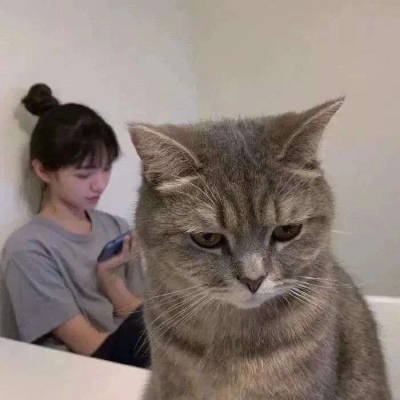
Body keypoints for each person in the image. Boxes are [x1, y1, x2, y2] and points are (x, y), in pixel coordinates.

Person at [1, 83, 150, 368]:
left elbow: (140, 313)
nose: (100, 184)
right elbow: (91, 348)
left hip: (139, 364)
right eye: (84, 175)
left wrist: (111, 282)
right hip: (88, 373)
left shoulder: (116, 228)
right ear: (43, 170)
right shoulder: (28, 250)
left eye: (106, 169)